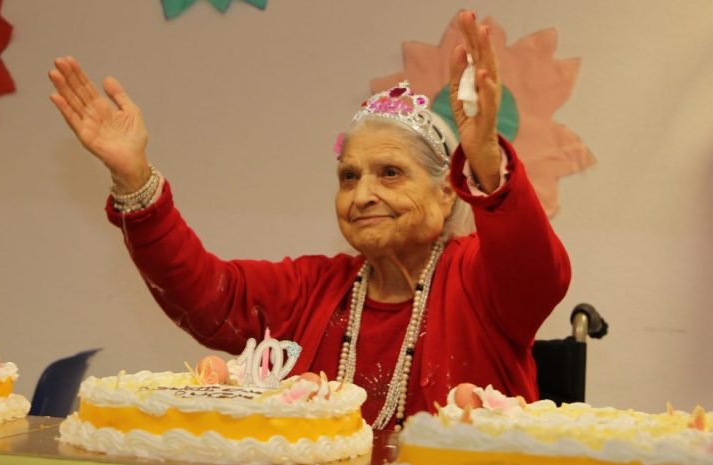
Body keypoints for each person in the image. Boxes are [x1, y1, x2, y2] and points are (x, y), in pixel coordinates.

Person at [48, 11, 570, 431]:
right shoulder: (312, 289)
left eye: (390, 173)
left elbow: (538, 268)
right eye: (348, 177)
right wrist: (135, 179)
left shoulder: (482, 281)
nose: (362, 194)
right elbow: (208, 296)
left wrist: (484, 162)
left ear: (443, 192)